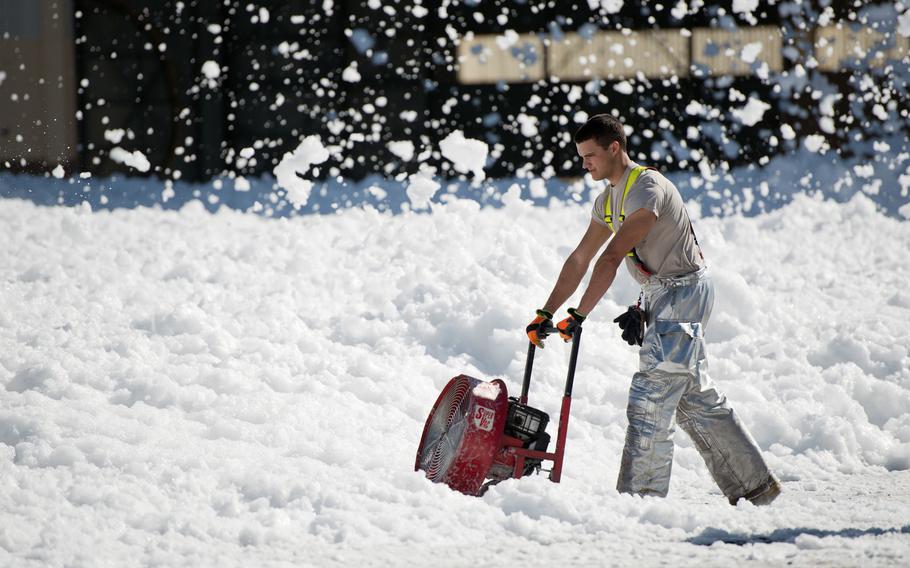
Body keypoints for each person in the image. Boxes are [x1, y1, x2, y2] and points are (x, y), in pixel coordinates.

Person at [526, 113, 780, 505]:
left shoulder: (646, 187)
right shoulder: (608, 200)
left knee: (653, 393)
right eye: (581, 157)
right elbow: (580, 258)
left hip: (684, 292)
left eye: (590, 155)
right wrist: (546, 312)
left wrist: (578, 315)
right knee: (691, 396)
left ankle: (638, 500)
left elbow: (610, 257)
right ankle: (755, 486)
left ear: (615, 148)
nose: (585, 164)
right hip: (662, 294)